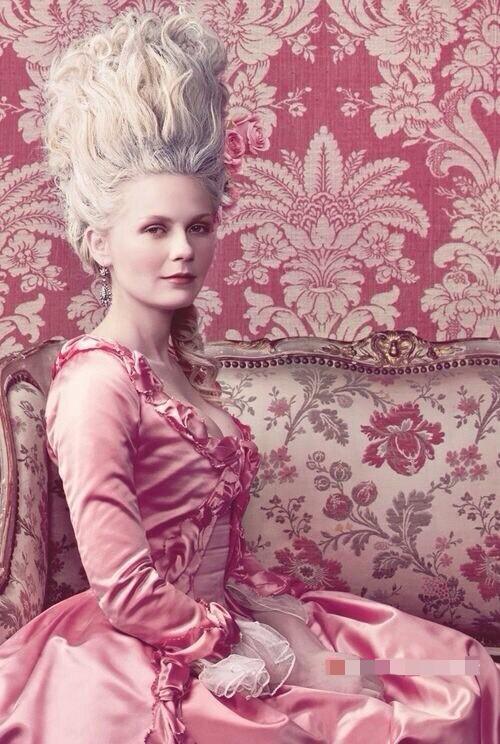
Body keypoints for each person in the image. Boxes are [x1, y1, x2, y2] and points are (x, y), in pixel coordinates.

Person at [0, 7, 498, 743]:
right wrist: (252, 650)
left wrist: (285, 641)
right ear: (100, 242)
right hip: (168, 652)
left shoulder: (171, 364)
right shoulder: (95, 384)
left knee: (453, 671)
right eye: (155, 228)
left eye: (198, 226)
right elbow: (126, 590)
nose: (183, 251)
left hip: (248, 621)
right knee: (370, 717)